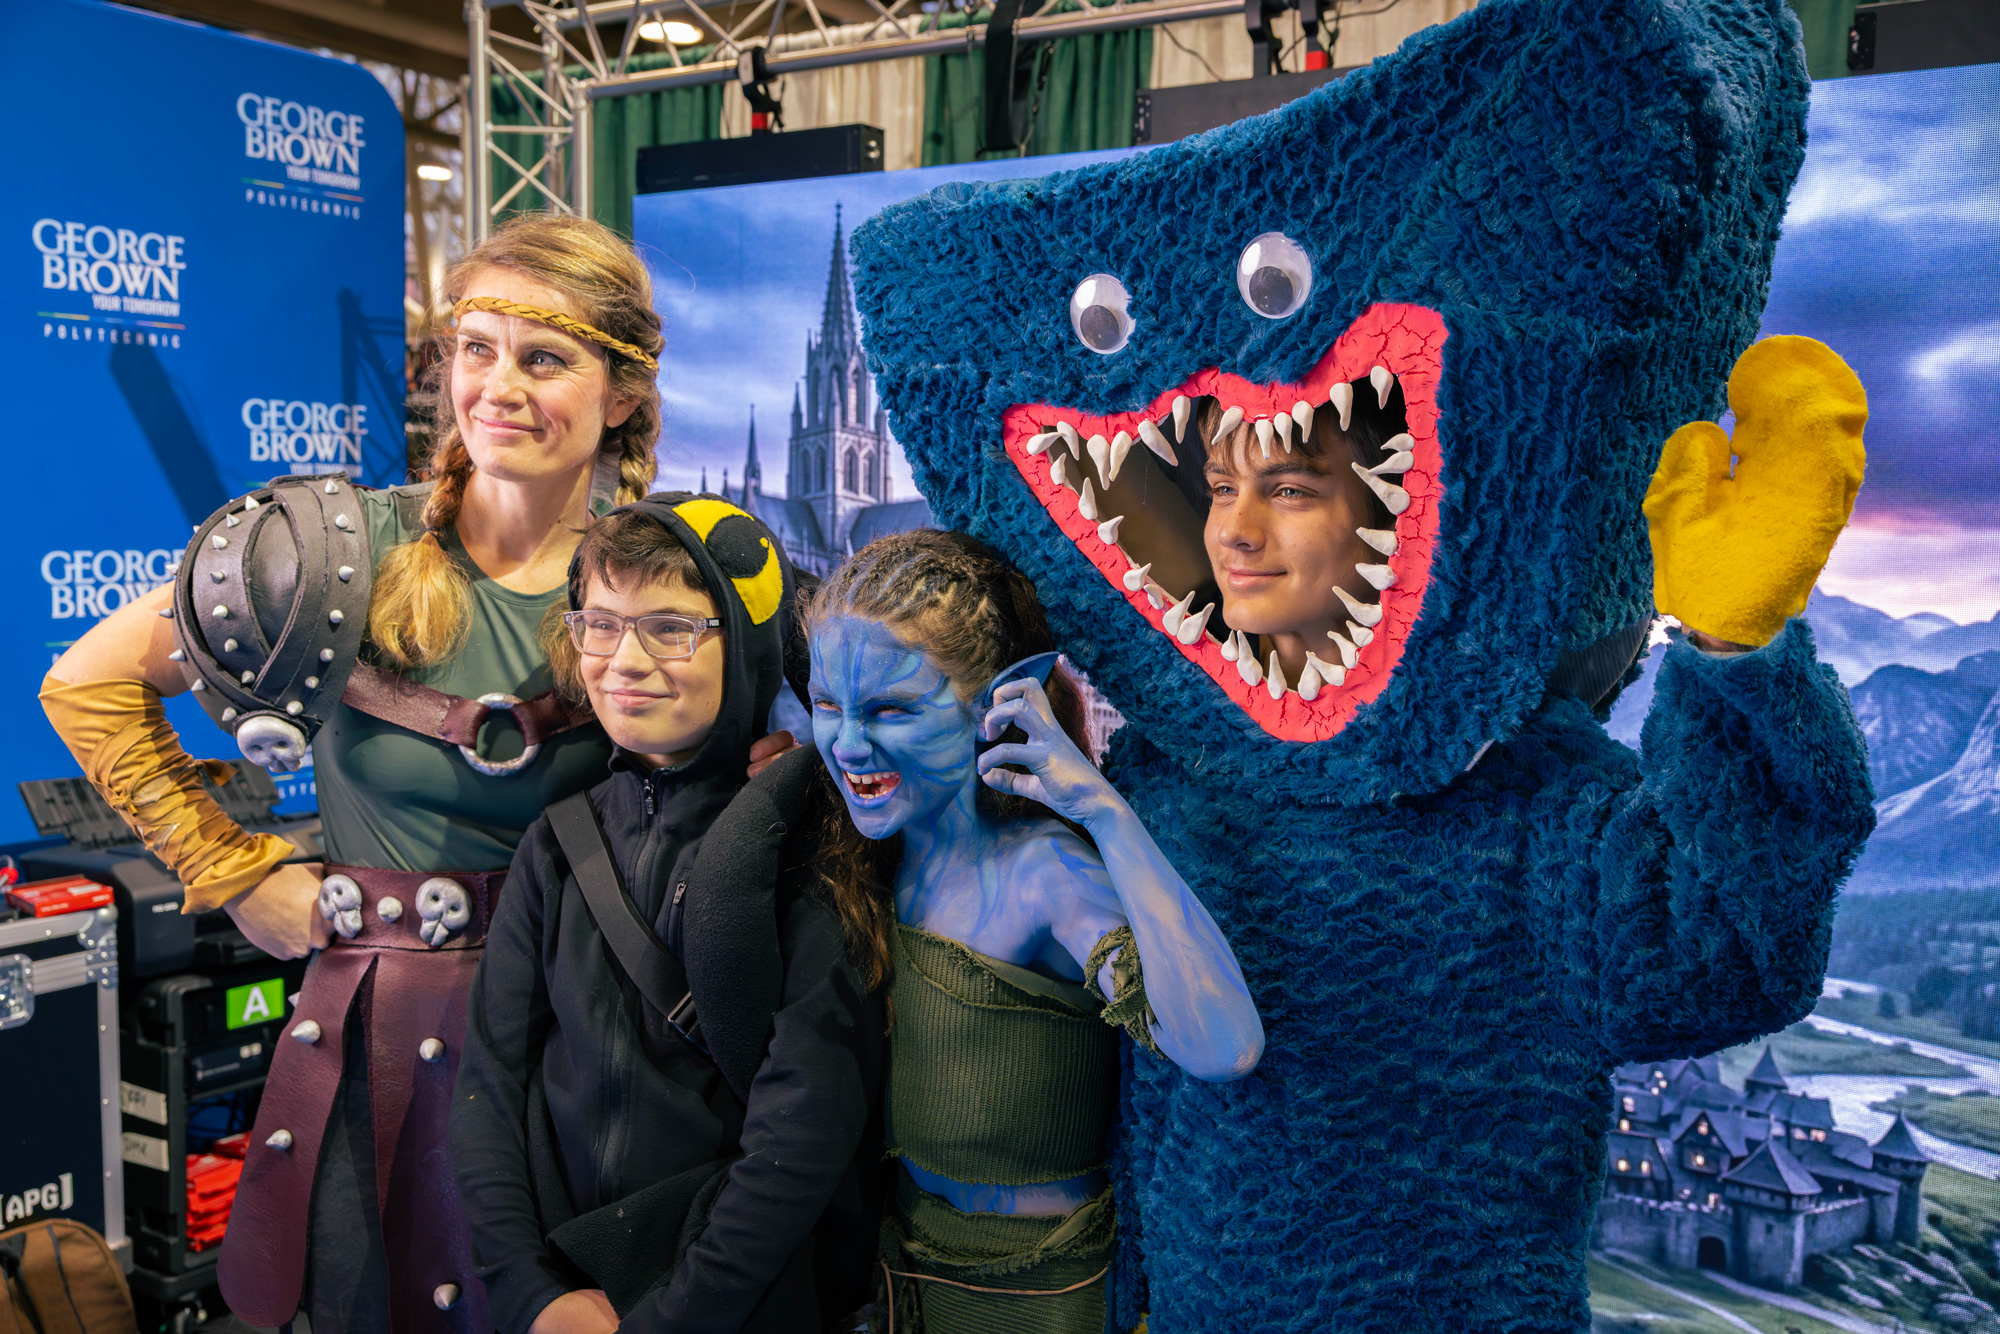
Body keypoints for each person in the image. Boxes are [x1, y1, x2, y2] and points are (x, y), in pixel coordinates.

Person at [39, 215, 790, 1334]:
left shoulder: (666, 575)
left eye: (544, 358)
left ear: (621, 392)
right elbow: (87, 683)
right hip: (371, 1039)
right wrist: (235, 868)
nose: (499, 386)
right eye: (474, 349)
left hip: (591, 1042)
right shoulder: (331, 552)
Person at [802, 530, 1264, 1334]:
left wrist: (1102, 811)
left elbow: (1225, 1047)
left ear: (996, 703)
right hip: (901, 1268)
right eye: (828, 706)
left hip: (1038, 1295)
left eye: (891, 710)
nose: (848, 744)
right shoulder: (867, 860)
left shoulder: (1044, 873)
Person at [452, 495, 881, 1334]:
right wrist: (526, 1290)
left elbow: (804, 1132)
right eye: (601, 625)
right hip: (563, 1289)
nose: (625, 660)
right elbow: (489, 1087)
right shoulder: (556, 847)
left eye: (672, 629)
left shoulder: (801, 850)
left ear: (748, 646)